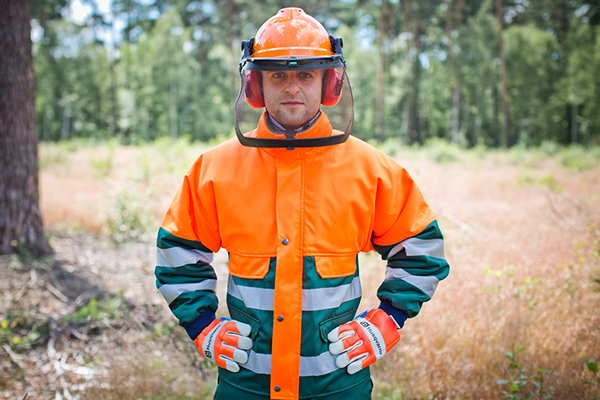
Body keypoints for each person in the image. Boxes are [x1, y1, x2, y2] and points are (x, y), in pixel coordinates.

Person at [155, 7, 449, 400]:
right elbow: (177, 251)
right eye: (278, 74)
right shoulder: (214, 169)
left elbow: (422, 250)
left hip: (338, 387)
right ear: (255, 85)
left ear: (330, 83)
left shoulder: (372, 170)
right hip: (245, 386)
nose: (292, 87)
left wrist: (386, 321)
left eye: (305, 74)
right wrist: (203, 326)